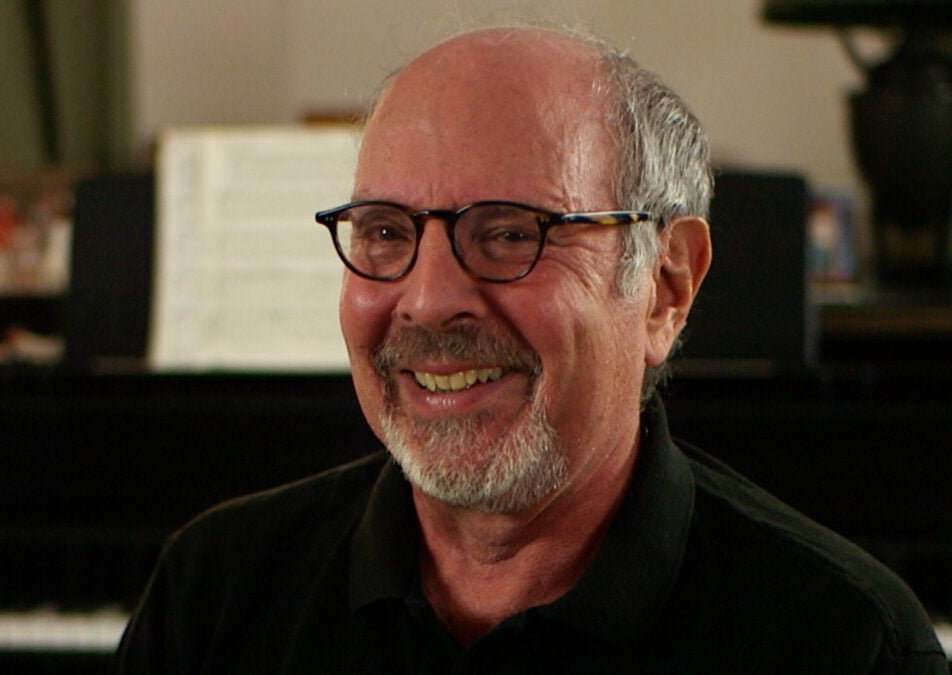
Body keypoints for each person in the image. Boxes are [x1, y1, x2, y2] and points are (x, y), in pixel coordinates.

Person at [114, 25, 946, 673]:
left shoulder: (845, 645)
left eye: (512, 232)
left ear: (665, 285)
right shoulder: (213, 596)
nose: (428, 299)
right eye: (385, 231)